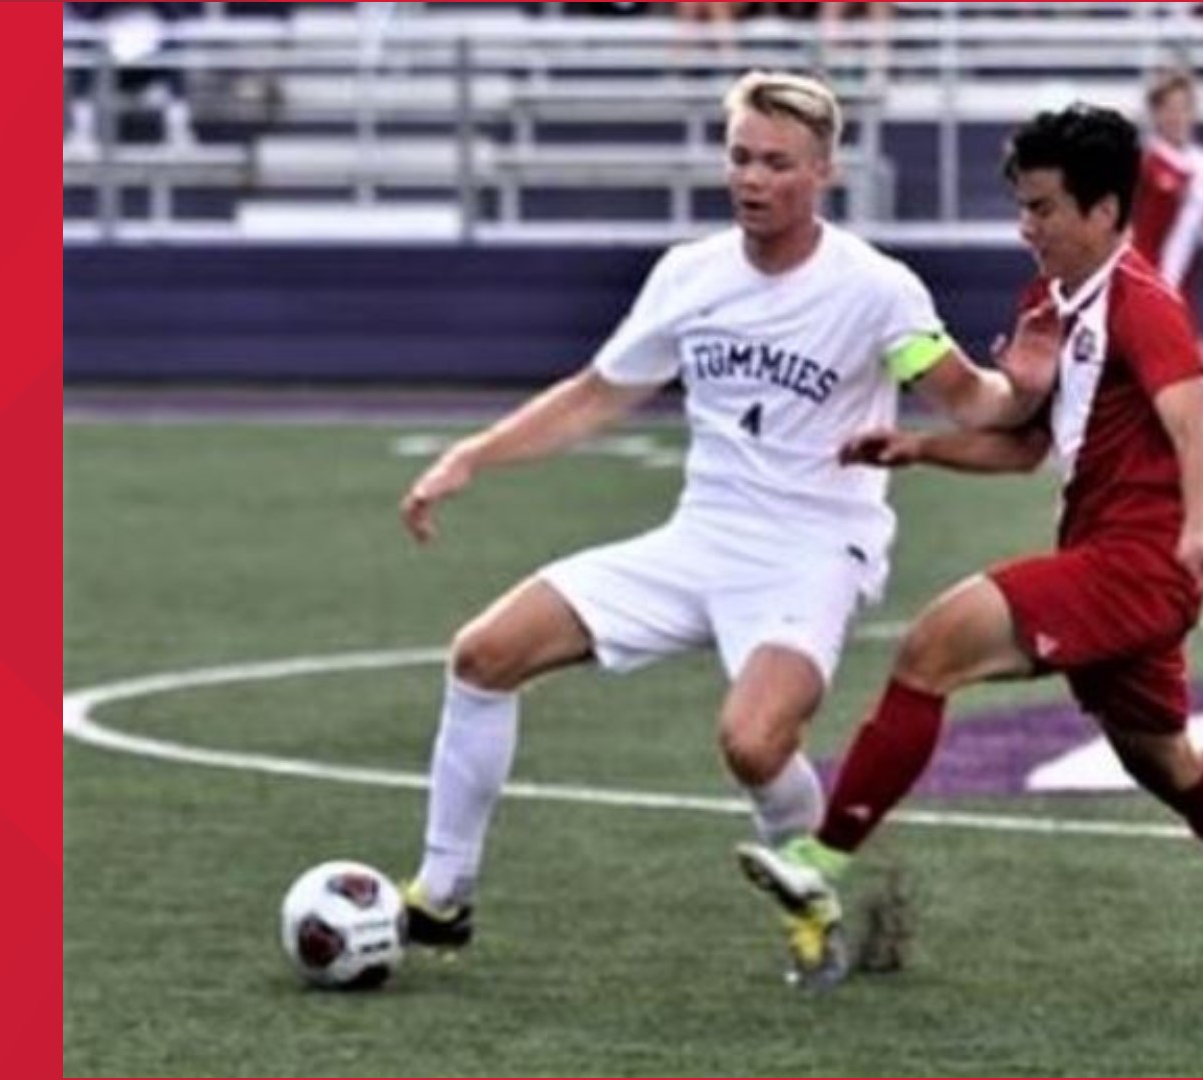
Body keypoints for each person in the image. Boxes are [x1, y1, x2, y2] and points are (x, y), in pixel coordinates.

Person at [393, 71, 1055, 966]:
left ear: (823, 169)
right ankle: (443, 897)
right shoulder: (690, 275)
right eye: (740, 157)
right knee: (482, 655)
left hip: (815, 549)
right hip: (698, 537)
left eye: (777, 163)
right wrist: (472, 454)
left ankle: (818, 890)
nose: (751, 178)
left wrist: (1026, 384)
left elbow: (971, 404)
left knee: (752, 742)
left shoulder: (874, 288)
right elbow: (596, 397)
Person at [736, 103, 1203, 989]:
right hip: (1104, 550)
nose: (1026, 228)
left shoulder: (1145, 304)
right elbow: (1027, 442)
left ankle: (821, 865)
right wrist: (920, 447)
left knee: (931, 649)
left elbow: (1196, 430)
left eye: (1044, 209)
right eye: (1022, 207)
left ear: (1105, 211)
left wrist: (1197, 528)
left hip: (1139, 562)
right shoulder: (1052, 301)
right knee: (1163, 760)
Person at [1130, 69, 1203, 317]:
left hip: (1181, 295)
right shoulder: (1145, 163)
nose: (1176, 117)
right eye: (1168, 109)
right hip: (1144, 289)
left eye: (1183, 108)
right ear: (1155, 114)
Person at [64, 2, 201, 153]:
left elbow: (177, 18)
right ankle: (81, 133)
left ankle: (178, 132)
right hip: (109, 54)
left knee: (175, 51)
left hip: (150, 59)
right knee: (83, 53)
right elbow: (85, 16)